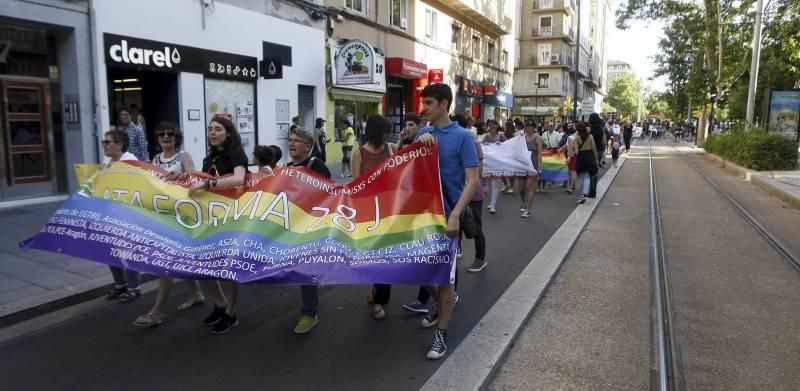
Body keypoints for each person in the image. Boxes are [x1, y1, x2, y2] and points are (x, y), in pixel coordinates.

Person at [415, 83, 478, 360]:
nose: (423, 108)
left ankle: (441, 335)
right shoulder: (423, 132)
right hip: (421, 218)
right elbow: (410, 170)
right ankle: (442, 304)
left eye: (428, 103)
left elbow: (473, 179)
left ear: (443, 104)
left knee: (444, 277)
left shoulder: (463, 137)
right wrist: (420, 144)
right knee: (420, 271)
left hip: (448, 218)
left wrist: (455, 215)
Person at [133, 123, 206, 327]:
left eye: (170, 134)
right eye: (161, 134)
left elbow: (194, 183)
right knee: (177, 261)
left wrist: (181, 177)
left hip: (181, 217)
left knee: (167, 264)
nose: (166, 137)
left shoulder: (184, 157)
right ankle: (197, 293)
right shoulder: (156, 159)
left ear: (176, 138)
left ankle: (155, 313)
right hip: (163, 216)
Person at [189, 117, 248, 334]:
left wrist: (208, 183)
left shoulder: (236, 154)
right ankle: (220, 303)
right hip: (210, 216)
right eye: (210, 129)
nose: (212, 133)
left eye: (217, 129)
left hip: (231, 214)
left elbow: (239, 179)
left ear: (228, 133)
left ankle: (231, 312)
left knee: (230, 264)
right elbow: (201, 178)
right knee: (203, 261)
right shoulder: (209, 157)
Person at [285, 128, 332, 334]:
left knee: (306, 268)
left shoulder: (315, 164)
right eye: (290, 140)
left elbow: (330, 192)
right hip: (291, 225)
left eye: (296, 141)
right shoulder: (285, 168)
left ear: (307, 146)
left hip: (311, 224)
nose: (291, 143)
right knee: (298, 267)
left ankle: (309, 312)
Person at [352, 115, 396, 320]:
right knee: (372, 258)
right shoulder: (358, 153)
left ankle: (379, 300)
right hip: (369, 213)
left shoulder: (391, 149)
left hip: (389, 212)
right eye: (384, 131)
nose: (387, 135)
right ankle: (374, 290)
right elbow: (356, 186)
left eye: (389, 131)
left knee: (385, 258)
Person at [101, 130, 142, 302]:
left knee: (128, 251)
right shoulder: (107, 161)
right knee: (111, 250)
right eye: (104, 142)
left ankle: (134, 287)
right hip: (110, 212)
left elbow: (136, 186)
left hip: (127, 213)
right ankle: (120, 284)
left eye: (107, 142)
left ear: (119, 145)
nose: (104, 145)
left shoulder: (130, 161)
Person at [482, 119, 506, 214]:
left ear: (497, 127)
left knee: (495, 184)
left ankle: (493, 204)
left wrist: (501, 144)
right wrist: (484, 144)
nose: (493, 127)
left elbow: (507, 146)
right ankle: (491, 202)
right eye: (491, 126)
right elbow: (481, 146)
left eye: (494, 126)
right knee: (489, 184)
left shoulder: (501, 136)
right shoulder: (486, 136)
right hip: (488, 164)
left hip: (497, 164)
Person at [519, 119, 542, 218]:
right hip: (522, 165)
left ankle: (528, 209)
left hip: (533, 165)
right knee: (521, 188)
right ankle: (524, 202)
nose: (528, 128)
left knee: (529, 187)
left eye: (530, 126)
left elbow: (539, 153)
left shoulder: (538, 138)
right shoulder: (521, 137)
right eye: (526, 126)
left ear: (534, 127)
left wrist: (539, 168)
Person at [575, 122, 599, 204]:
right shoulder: (590, 136)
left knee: (581, 176)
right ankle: (585, 193)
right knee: (588, 176)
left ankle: (581, 194)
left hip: (581, 157)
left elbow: (576, 151)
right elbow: (594, 148)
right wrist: (596, 159)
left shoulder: (577, 138)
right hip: (590, 157)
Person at [559, 126, 578, 194]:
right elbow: (567, 146)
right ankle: (573, 187)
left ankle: (570, 187)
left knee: (571, 171)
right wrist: (560, 149)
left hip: (571, 156)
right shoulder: (575, 136)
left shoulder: (570, 138)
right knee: (573, 171)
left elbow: (570, 148)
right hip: (574, 156)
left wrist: (569, 157)